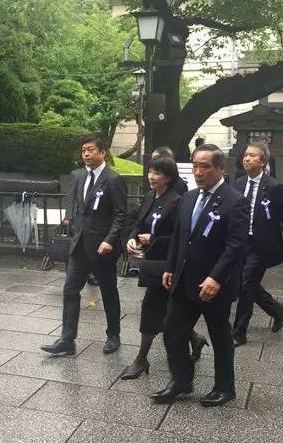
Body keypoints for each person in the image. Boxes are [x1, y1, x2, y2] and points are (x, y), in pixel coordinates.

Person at [153, 145, 248, 406]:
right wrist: (170, 266)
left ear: (220, 168)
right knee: (172, 330)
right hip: (185, 278)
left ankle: (225, 387)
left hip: (215, 284)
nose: (198, 172)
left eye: (205, 166)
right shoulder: (189, 197)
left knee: (220, 335)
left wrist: (216, 278)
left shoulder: (235, 201)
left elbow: (236, 246)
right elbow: (179, 237)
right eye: (195, 165)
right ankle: (182, 381)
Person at [120, 156, 207, 380]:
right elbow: (138, 222)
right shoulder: (150, 196)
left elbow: (180, 237)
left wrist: (154, 238)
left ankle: (141, 359)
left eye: (157, 173)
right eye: (150, 172)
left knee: (152, 308)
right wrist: (132, 238)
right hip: (151, 263)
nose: (151, 177)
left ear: (168, 177)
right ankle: (195, 338)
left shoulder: (177, 201)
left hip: (169, 266)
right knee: (169, 312)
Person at [41, 136, 127, 356]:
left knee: (108, 292)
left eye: (90, 150)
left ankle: (113, 334)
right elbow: (73, 200)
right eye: (83, 151)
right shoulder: (78, 176)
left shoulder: (113, 179)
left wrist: (110, 240)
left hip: (102, 247)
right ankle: (67, 340)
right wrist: (69, 217)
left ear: (102, 152)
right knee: (70, 290)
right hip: (78, 244)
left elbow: (120, 215)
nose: (86, 154)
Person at [231, 143, 283, 347]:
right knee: (246, 283)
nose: (247, 159)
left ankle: (239, 332)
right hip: (241, 243)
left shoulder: (274, 186)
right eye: (245, 155)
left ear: (262, 162)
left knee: (245, 285)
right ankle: (276, 309)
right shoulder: (238, 183)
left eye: (252, 156)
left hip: (261, 245)